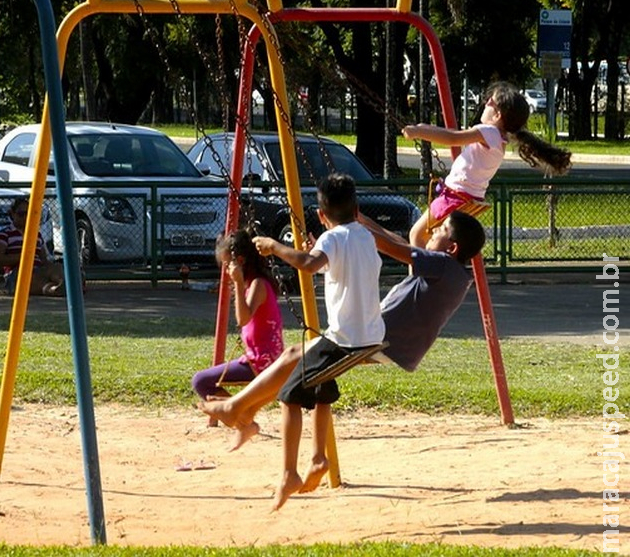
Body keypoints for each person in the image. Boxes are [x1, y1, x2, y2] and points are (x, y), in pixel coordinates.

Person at [199, 209, 486, 509]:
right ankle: (251, 415)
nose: (433, 231)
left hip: (376, 339)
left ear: (452, 247)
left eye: (440, 230)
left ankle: (238, 409)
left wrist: (350, 227)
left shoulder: (442, 265)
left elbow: (394, 247)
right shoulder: (450, 272)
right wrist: (361, 220)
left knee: (297, 358)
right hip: (385, 340)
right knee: (302, 361)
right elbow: (398, 239)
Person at [224, 172, 385, 511]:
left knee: (288, 395)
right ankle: (318, 458)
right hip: (370, 337)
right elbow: (336, 264)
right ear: (357, 210)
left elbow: (310, 265)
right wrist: (318, 249)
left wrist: (275, 247)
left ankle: (288, 474)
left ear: (322, 216)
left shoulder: (332, 239)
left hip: (345, 340)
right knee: (318, 384)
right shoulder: (364, 237)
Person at [403, 80, 571, 248]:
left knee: (416, 236)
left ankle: (418, 274)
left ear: (498, 115)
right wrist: (425, 128)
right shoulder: (499, 140)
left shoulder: (489, 131)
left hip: (454, 196)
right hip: (467, 198)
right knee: (434, 245)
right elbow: (455, 133)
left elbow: (453, 139)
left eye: (492, 100)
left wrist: (418, 132)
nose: (487, 101)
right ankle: (431, 271)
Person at [191, 229, 284, 402]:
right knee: (204, 383)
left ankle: (240, 418)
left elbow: (243, 319)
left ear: (239, 261)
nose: (226, 271)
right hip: (255, 359)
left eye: (227, 265)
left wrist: (238, 283)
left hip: (263, 362)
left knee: (201, 381)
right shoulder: (254, 284)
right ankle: (240, 415)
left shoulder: (258, 285)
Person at [0, 196, 65, 297]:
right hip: (16, 273)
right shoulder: (4, 235)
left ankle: (62, 285)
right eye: (21, 214)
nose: (25, 217)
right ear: (12, 214)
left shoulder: (36, 235)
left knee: (56, 268)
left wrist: (53, 266)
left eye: (28, 214)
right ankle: (54, 289)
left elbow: (44, 260)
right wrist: (23, 257)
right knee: (31, 278)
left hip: (37, 270)